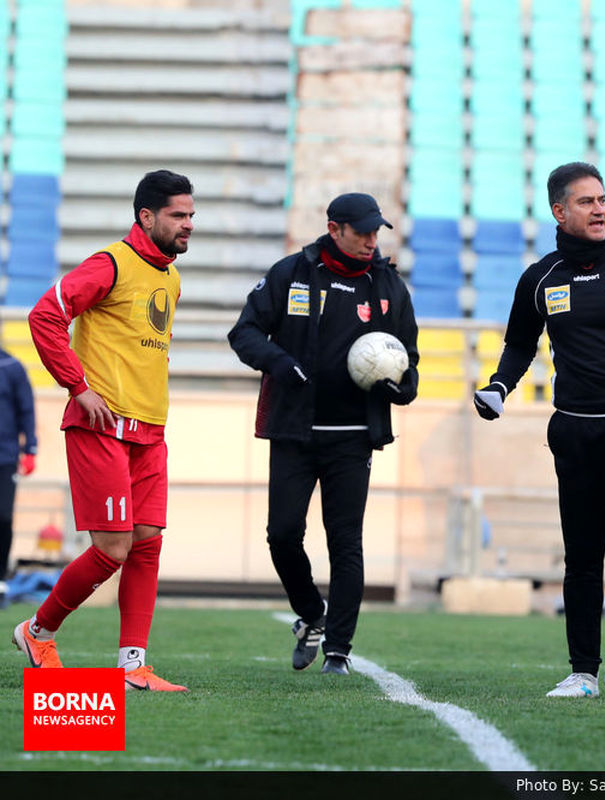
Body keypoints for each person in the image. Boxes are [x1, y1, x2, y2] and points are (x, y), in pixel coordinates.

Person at [473, 162, 605, 699]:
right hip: (575, 432)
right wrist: (500, 386)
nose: (599, 210)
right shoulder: (540, 278)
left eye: (602, 199)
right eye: (586, 202)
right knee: (584, 553)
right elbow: (520, 344)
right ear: (559, 211)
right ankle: (581, 671)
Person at [14, 170, 194, 691]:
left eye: (190, 216)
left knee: (146, 544)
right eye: (177, 216)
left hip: (150, 431)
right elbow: (46, 315)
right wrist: (77, 386)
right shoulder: (110, 263)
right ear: (146, 216)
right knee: (112, 549)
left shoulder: (171, 278)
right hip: (102, 426)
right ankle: (37, 630)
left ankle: (133, 665)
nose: (187, 226)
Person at [228, 193, 419, 676]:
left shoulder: (389, 286)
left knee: (346, 542)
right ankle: (312, 614)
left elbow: (409, 362)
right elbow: (244, 332)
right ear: (335, 229)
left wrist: (401, 387)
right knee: (282, 535)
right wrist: (280, 362)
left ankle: (339, 651)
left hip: (354, 438)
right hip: (294, 431)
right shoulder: (291, 273)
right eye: (363, 233)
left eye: (377, 233)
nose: (371, 241)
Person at [0, 349, 37, 605]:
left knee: (2, 516)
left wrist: (30, 448)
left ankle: (0, 579)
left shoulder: (11, 366)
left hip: (5, 456)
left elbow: (26, 409)